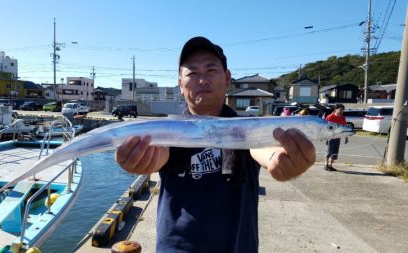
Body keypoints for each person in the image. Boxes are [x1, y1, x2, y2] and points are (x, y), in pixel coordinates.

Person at [115, 36, 316, 252]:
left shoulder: (246, 129)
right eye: (192, 72)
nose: (202, 79)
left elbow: (263, 148)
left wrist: (281, 159)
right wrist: (143, 159)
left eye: (211, 70)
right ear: (180, 84)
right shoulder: (169, 131)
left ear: (227, 79)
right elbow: (160, 153)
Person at [325, 104, 349, 171]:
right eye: (340, 109)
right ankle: (326, 165)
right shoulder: (330, 117)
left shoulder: (342, 118)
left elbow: (345, 128)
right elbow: (324, 127)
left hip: (338, 137)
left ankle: (330, 165)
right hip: (330, 137)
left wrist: (346, 137)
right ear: (336, 109)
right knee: (329, 151)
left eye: (342, 110)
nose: (341, 111)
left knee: (335, 152)